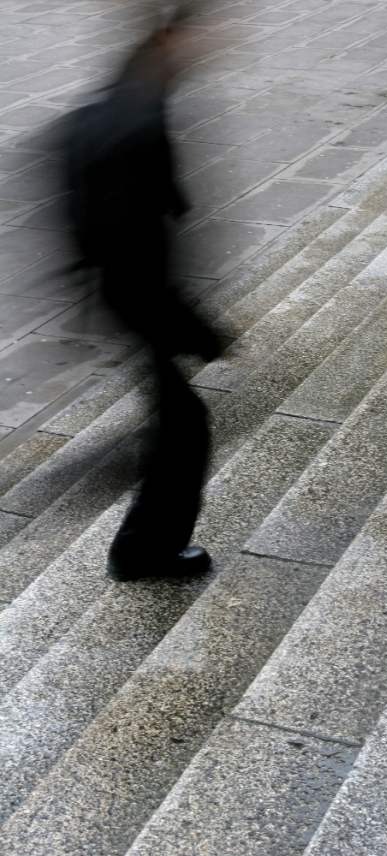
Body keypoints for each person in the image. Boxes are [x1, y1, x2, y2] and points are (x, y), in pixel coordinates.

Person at [64, 8, 220, 581]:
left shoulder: (130, 96)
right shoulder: (135, 119)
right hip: (134, 295)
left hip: (123, 290)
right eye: (200, 39)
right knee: (183, 427)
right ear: (168, 37)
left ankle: (141, 546)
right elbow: (135, 244)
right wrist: (201, 333)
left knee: (178, 421)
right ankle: (143, 552)